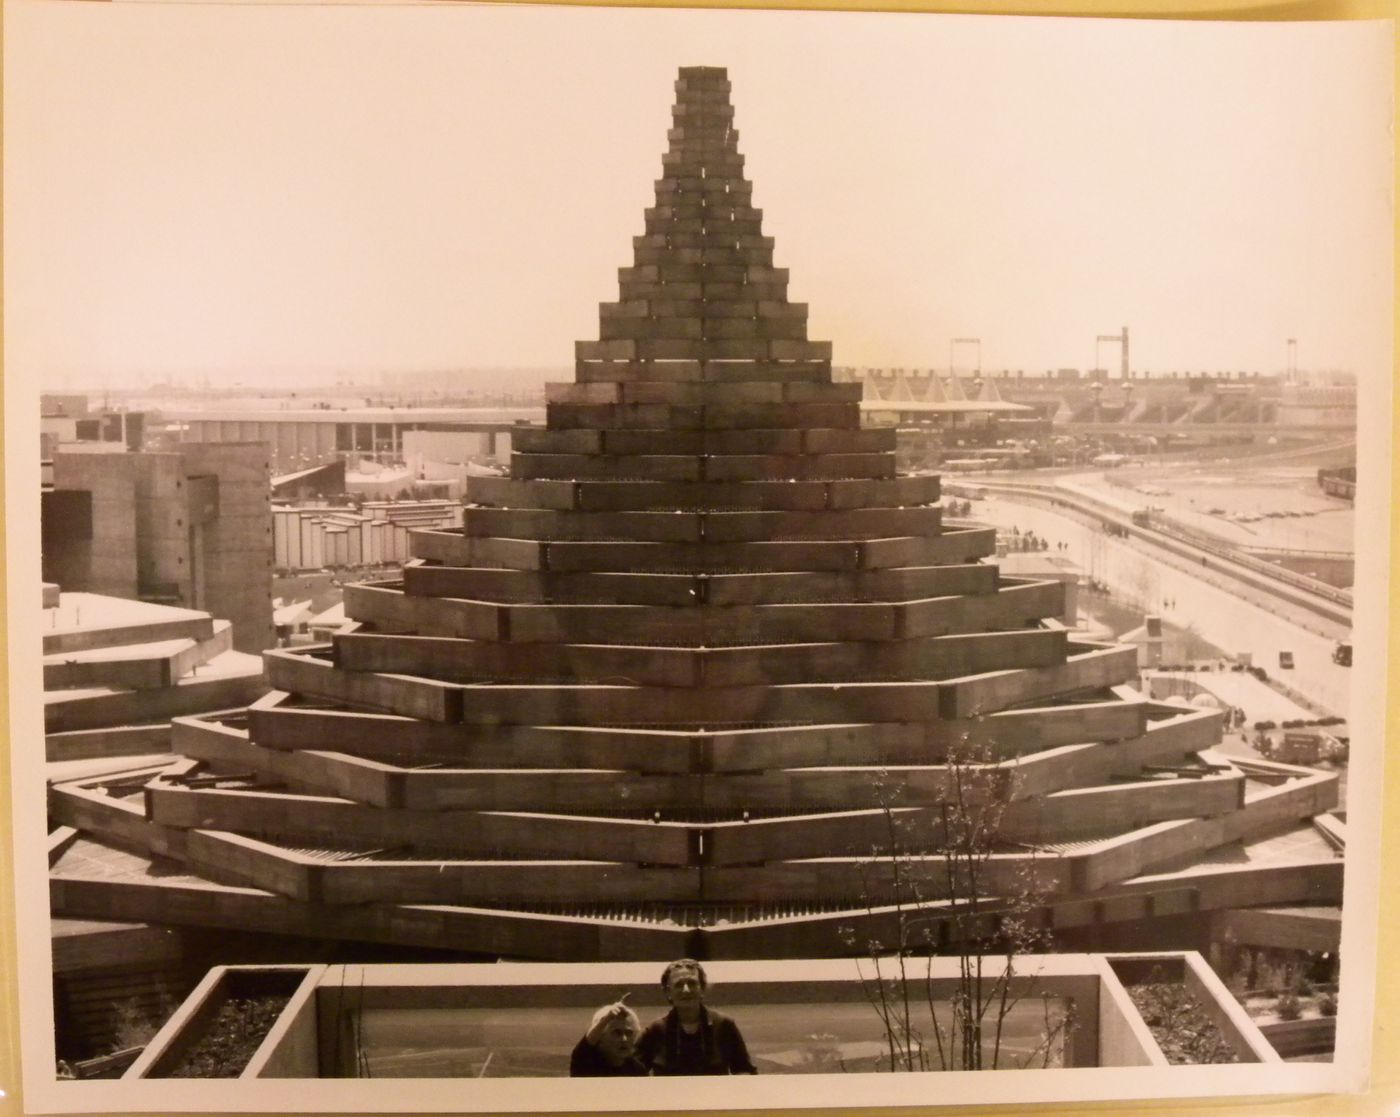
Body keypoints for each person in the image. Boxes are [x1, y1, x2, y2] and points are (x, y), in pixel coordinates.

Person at [636, 959, 756, 1075]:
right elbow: (629, 1071)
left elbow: (744, 1071)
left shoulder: (724, 1025)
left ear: (702, 989)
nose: (686, 990)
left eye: (692, 983)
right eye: (679, 985)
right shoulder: (655, 1030)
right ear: (668, 992)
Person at [570, 998, 647, 1077]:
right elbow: (587, 1043)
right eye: (617, 1033)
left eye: (629, 1033)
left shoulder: (638, 1070)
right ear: (600, 1037)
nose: (624, 1039)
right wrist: (607, 1018)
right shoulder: (586, 1063)